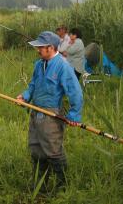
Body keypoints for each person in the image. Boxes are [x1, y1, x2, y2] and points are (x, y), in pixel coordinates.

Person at [16, 31, 83, 193]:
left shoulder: (63, 66)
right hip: (35, 111)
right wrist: (25, 97)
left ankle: (62, 187)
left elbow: (75, 92)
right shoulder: (39, 64)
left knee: (53, 151)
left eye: (41, 47)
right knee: (36, 149)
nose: (37, 50)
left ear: (51, 48)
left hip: (51, 115)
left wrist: (74, 115)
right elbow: (32, 85)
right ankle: (40, 186)